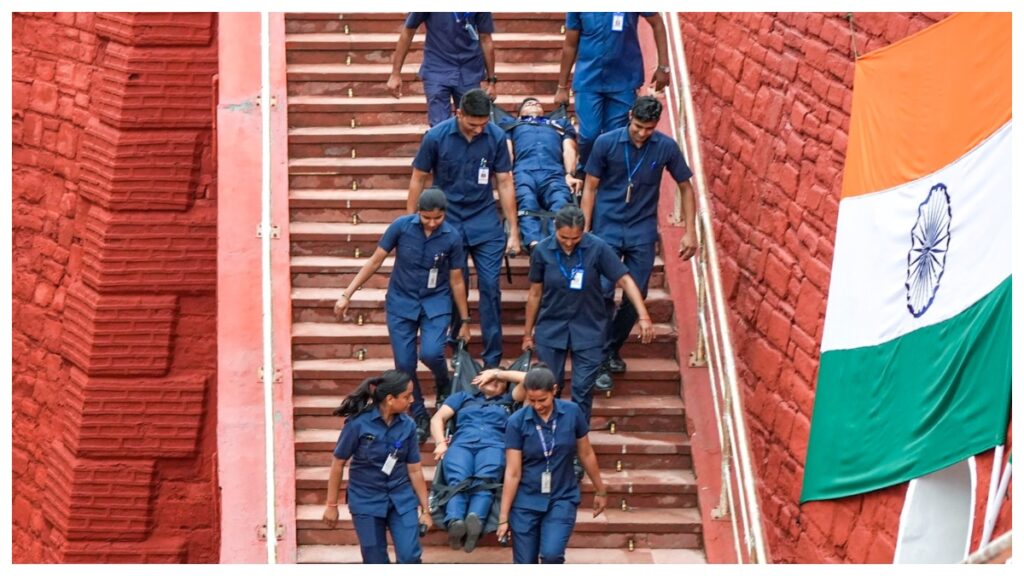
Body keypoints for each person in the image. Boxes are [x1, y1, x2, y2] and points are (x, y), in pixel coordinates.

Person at [334, 188, 470, 443]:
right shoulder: (401, 227)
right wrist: (347, 294)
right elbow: (375, 261)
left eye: (437, 218)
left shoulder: (452, 237)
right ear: (418, 212)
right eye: (426, 217)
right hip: (401, 302)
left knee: (431, 352)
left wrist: (464, 320)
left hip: (435, 301)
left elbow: (457, 280)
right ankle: (418, 413)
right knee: (404, 364)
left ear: (444, 214)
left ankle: (443, 381)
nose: (432, 223)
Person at [581, 96, 697, 391]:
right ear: (630, 116)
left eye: (649, 128)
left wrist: (690, 231)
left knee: (637, 294)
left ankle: (610, 348)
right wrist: (584, 229)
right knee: (602, 290)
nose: (642, 133)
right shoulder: (606, 143)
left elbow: (685, 186)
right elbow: (590, 186)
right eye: (638, 126)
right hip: (607, 227)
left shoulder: (666, 146)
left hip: (641, 231)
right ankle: (599, 359)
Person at [408, 88, 521, 370]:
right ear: (459, 113)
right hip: (449, 221)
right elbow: (418, 178)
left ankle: (492, 357)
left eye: (483, 124)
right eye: (472, 124)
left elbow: (504, 182)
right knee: (455, 284)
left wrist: (514, 230)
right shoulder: (436, 137)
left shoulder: (496, 137)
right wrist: (411, 223)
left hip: (484, 221)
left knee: (490, 286)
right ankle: (458, 344)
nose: (478, 129)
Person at [523, 205, 654, 428]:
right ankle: (550, 434)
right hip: (551, 327)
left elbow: (624, 279)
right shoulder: (542, 251)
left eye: (575, 238)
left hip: (589, 328)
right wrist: (528, 333)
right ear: (555, 229)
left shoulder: (597, 247)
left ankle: (577, 439)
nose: (569, 243)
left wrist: (643, 316)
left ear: (583, 231)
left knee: (582, 390)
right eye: (564, 237)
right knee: (550, 386)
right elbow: (535, 293)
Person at [495, 365, 609, 564]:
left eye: (542, 400)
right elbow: (513, 472)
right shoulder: (516, 422)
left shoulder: (572, 413)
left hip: (561, 497)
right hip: (525, 500)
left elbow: (586, 453)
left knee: (552, 555)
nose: (537, 406)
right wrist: (503, 517)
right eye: (532, 400)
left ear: (554, 390)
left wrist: (600, 490)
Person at [322, 370, 433, 564]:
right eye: (407, 396)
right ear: (390, 399)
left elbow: (415, 470)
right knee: (375, 559)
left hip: (401, 498)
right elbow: (338, 463)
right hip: (366, 499)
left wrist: (425, 511)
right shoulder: (357, 424)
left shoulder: (408, 425)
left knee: (410, 556)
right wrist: (331, 505)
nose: (412, 400)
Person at [554, 12, 670, 171]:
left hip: (624, 80)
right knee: (589, 136)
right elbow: (570, 44)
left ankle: (608, 179)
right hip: (588, 80)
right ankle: (586, 172)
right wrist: (562, 87)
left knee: (615, 137)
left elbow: (657, 23)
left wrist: (663, 66)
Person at [428, 368, 527, 552]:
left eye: (500, 381)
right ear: (477, 380)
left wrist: (497, 374)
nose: (495, 382)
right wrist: (440, 442)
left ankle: (475, 521)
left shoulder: (509, 400)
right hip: (461, 444)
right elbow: (437, 419)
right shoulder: (462, 397)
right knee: (458, 479)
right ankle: (455, 522)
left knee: (485, 480)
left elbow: (529, 379)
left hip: (494, 445)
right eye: (489, 378)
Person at [496, 97, 582, 253]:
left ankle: (555, 242)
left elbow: (569, 149)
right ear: (519, 114)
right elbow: (507, 149)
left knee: (560, 202)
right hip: (524, 170)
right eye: (528, 104)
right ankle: (534, 243)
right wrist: (507, 173)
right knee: (526, 201)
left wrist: (569, 174)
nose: (533, 104)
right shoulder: (511, 124)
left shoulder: (560, 124)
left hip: (554, 171)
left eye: (537, 103)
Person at [388, 12, 498, 127]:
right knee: (440, 126)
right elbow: (408, 31)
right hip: (437, 68)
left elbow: (485, 38)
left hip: (468, 70)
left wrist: (492, 81)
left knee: (472, 124)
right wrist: (395, 73)